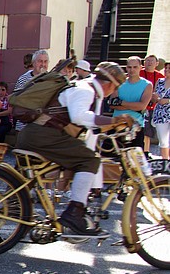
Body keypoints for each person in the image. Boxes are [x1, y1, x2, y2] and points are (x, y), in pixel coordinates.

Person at [16, 62, 132, 235]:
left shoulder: (85, 88)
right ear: (109, 84)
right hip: (43, 136)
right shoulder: (86, 90)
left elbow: (90, 124)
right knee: (90, 160)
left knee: (77, 157)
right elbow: (79, 116)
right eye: (116, 87)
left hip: (39, 135)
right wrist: (114, 120)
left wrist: (112, 125)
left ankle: (14, 205)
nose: (114, 92)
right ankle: (74, 213)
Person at [111, 56, 154, 150]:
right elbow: (112, 104)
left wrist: (121, 102)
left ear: (141, 67)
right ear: (126, 68)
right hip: (117, 125)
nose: (132, 70)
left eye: (135, 67)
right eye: (129, 67)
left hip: (136, 126)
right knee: (111, 156)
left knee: (135, 157)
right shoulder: (119, 83)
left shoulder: (147, 85)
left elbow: (142, 106)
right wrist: (134, 106)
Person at [13, 49, 49, 132]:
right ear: (33, 63)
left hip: (44, 128)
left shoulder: (51, 79)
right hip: (24, 126)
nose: (43, 64)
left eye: (45, 61)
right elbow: (16, 100)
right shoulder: (23, 79)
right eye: (40, 61)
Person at [142, 54, 164, 152]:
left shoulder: (160, 76)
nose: (150, 63)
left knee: (150, 132)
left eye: (152, 61)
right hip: (141, 106)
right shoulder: (139, 73)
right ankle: (144, 151)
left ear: (157, 63)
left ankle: (146, 151)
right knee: (144, 131)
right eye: (147, 60)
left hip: (154, 108)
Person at [151, 73, 170, 160]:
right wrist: (156, 98)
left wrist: (167, 101)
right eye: (166, 68)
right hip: (160, 115)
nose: (167, 70)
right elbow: (154, 98)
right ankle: (165, 161)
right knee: (163, 141)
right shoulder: (160, 81)